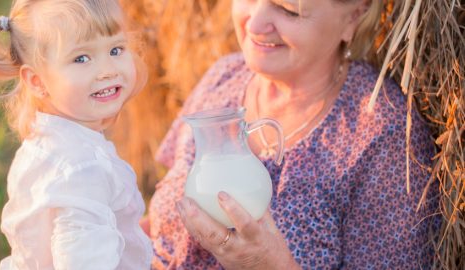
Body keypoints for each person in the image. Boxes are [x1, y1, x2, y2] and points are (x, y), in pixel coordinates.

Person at [146, 0, 440, 269]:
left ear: (354, 16)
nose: (255, 24)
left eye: (288, 10)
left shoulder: (384, 137)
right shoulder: (223, 76)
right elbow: (158, 229)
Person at [0, 0, 152, 268]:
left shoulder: (47, 143)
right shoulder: (82, 169)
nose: (108, 70)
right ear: (37, 81)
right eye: (81, 58)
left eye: (116, 49)